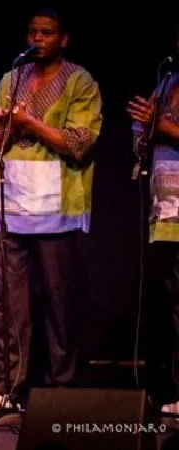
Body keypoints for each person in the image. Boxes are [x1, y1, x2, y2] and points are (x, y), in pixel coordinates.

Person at [0, 8, 102, 411]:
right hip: (10, 203)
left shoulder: (80, 81)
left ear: (63, 39)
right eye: (32, 32)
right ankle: (6, 386)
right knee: (8, 302)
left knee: (59, 298)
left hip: (56, 204)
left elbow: (80, 142)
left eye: (46, 33)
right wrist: (4, 130)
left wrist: (27, 122)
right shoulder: (11, 79)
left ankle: (62, 385)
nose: (37, 39)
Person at [126, 23, 179, 415]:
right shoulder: (167, 81)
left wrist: (160, 125)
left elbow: (162, 127)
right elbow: (142, 134)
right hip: (167, 211)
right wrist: (143, 130)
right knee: (174, 307)